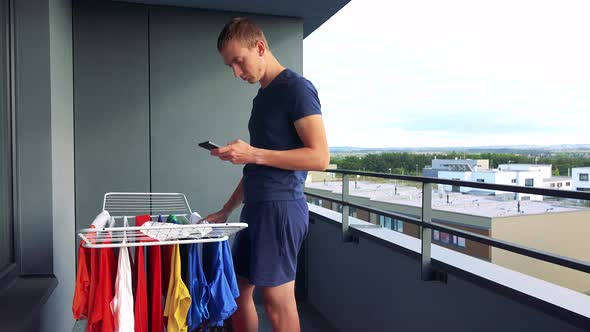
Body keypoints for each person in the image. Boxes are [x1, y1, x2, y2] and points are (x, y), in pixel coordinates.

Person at [203, 17, 329, 332]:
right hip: (255, 209)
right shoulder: (261, 99)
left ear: (260, 47)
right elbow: (257, 167)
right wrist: (225, 210)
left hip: (281, 207)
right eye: (229, 66)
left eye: (238, 61)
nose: (235, 72)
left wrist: (253, 153)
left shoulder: (296, 89)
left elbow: (320, 156)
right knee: (237, 292)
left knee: (277, 304)